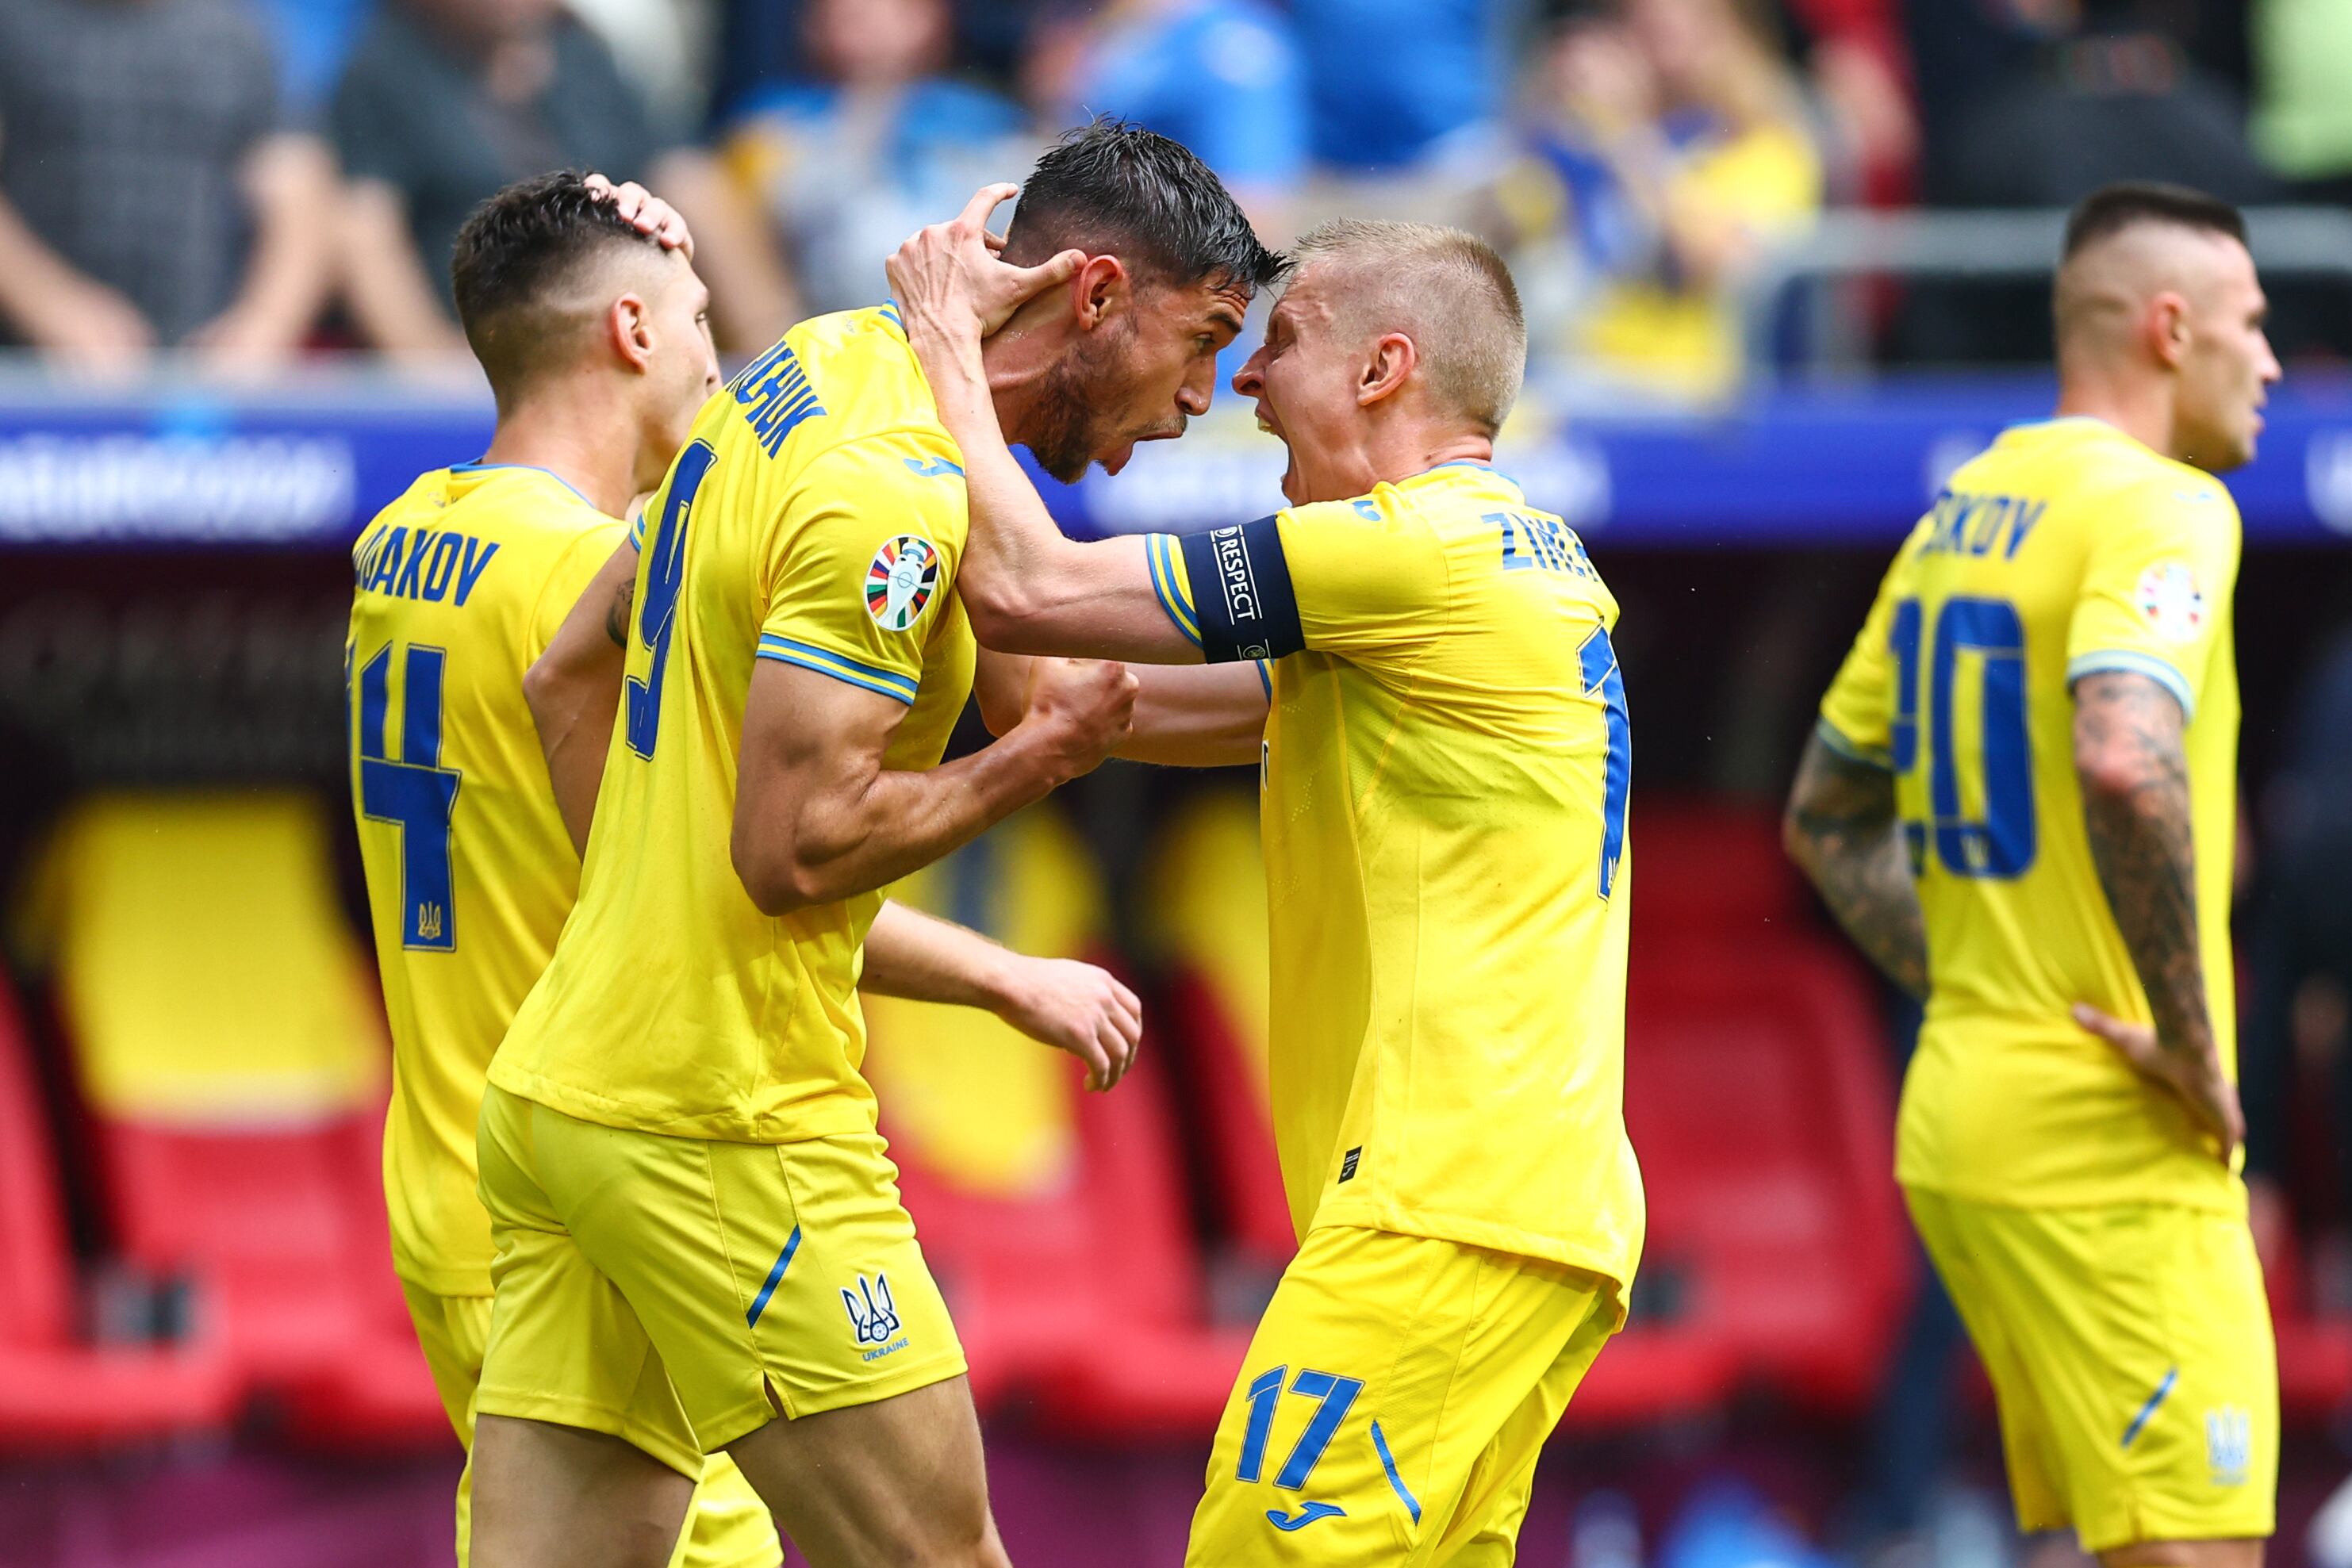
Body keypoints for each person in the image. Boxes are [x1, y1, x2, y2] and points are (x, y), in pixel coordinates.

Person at [464, 122, 1285, 1568]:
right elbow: (800, 847)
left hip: (569, 1097)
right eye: (1202, 340)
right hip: (731, 1120)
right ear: (1095, 295)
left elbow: (565, 677)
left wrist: (1320, 715)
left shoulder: (812, 366)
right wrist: (1027, 770)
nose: (1202, 399)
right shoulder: (893, 493)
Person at [346, 169, 1140, 1568]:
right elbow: (745, 857)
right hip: (643, 1163)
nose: (723, 363)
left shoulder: (404, 543)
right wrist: (1006, 970)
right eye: (702, 318)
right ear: (635, 334)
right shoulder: (597, 568)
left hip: (464, 1167)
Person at [885, 192, 1645, 1563]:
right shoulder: (1456, 598)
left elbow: (1034, 588)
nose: (1241, 380)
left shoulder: (1421, 551)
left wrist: (944, 347)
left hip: (1444, 1206)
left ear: (1382, 369)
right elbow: (1058, 693)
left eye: (1278, 339)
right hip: (1519, 1209)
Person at [1784, 181, 2281, 1565]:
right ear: (2172, 330)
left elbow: (1825, 812)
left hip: (1964, 1110)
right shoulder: (2166, 508)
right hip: (2114, 1130)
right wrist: (2189, 1039)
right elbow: (2127, 755)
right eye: (2254, 322)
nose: (2275, 359)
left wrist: (1976, 977)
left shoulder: (1967, 512)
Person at [332, 0, 792, 359]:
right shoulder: (384, 66)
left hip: (617, 313)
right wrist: (432, 364)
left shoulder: (581, 54)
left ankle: (779, 358)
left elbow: (675, 169)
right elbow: (365, 226)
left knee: (696, 180)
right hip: (476, 343)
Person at [0, 0, 336, 372]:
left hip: (198, 366)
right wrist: (50, 303)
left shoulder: (238, 31)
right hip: (30, 368)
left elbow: (298, 191)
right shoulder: (13, 23)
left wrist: (263, 325)